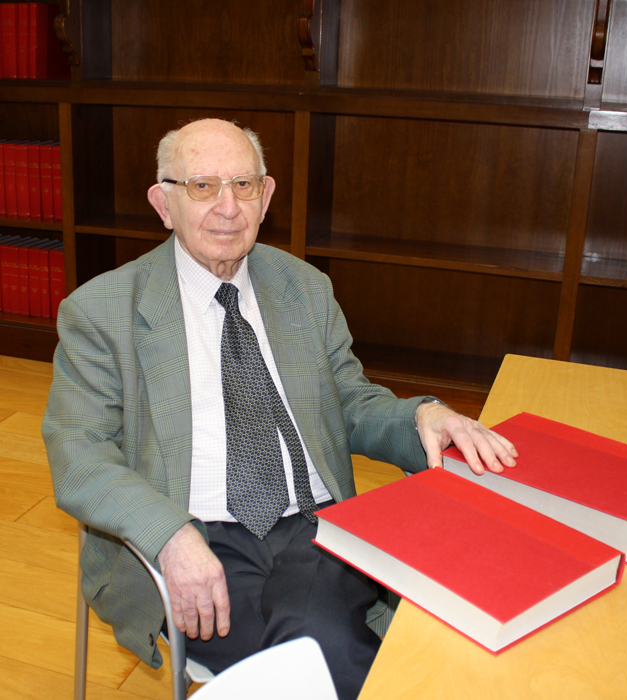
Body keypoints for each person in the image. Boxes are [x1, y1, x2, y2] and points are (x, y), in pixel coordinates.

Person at [43, 118, 517, 699]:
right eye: (201, 187)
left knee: (310, 651)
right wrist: (170, 535)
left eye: (244, 185)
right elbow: (79, 456)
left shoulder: (304, 288)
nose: (227, 207)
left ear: (265, 197)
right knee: (324, 648)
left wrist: (421, 415)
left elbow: (348, 399)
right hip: (195, 537)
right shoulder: (101, 312)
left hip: (313, 526)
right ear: (163, 204)